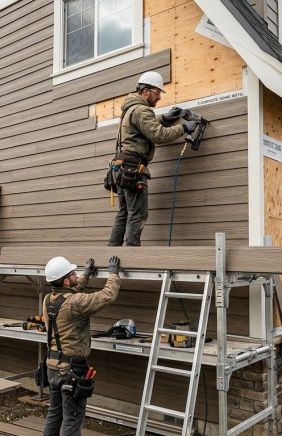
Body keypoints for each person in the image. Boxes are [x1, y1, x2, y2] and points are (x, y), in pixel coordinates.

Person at [108, 71, 199, 246]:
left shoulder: (131, 108)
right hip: (133, 169)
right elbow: (158, 134)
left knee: (124, 213)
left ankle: (113, 252)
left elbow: (145, 126)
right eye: (157, 93)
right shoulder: (142, 110)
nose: (158, 99)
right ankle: (132, 253)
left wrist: (164, 118)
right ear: (147, 91)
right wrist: (184, 128)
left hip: (121, 168)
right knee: (138, 213)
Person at [42, 255, 121, 436]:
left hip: (52, 366)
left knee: (54, 414)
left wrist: (85, 275)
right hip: (71, 370)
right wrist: (113, 274)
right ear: (66, 280)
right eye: (73, 274)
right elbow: (106, 296)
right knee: (72, 417)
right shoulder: (76, 302)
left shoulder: (48, 299)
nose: (76, 275)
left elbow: (70, 294)